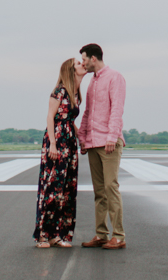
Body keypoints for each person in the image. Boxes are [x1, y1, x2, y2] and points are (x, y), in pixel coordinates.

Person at [77, 42, 126, 249]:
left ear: (93, 58)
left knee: (110, 187)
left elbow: (117, 108)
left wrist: (111, 137)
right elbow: (87, 112)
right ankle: (101, 234)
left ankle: (119, 236)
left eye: (84, 59)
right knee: (99, 191)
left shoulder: (115, 77)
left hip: (109, 142)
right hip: (93, 143)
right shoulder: (91, 83)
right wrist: (83, 138)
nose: (83, 63)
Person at [34, 57, 84, 248]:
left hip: (70, 142)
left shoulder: (75, 94)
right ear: (70, 71)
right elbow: (50, 117)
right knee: (52, 188)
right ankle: (42, 235)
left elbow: (70, 120)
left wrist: (81, 139)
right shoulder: (59, 91)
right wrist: (52, 145)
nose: (82, 65)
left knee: (66, 189)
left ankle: (57, 234)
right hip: (56, 141)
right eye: (78, 64)